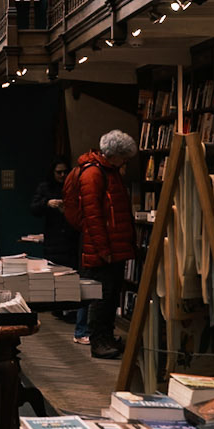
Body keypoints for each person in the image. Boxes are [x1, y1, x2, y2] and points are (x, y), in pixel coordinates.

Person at [63, 130, 138, 359]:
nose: (125, 162)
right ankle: (99, 342)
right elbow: (93, 217)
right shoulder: (94, 174)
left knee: (111, 295)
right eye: (124, 157)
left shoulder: (108, 171)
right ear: (115, 155)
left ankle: (106, 337)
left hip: (111, 247)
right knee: (101, 297)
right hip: (100, 249)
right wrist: (103, 249)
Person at [27, 158, 79, 326]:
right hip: (53, 236)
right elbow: (33, 208)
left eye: (65, 172)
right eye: (59, 172)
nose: (62, 175)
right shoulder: (45, 187)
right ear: (53, 173)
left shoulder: (72, 186)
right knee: (54, 272)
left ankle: (69, 308)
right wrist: (47, 203)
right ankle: (57, 308)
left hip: (71, 235)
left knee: (71, 273)